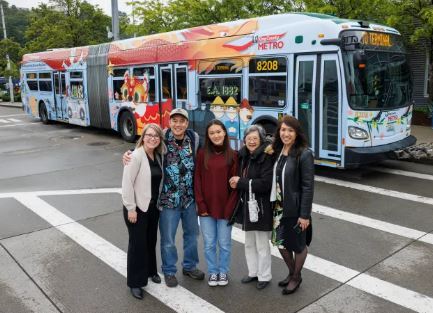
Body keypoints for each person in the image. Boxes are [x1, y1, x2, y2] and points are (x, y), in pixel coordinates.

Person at [123, 108, 205, 288]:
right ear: (169, 122)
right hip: (168, 200)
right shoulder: (163, 138)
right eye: (174, 121)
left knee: (192, 235)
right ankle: (169, 270)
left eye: (181, 121)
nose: (178, 124)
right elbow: (146, 146)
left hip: (189, 199)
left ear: (187, 123)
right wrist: (129, 152)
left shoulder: (194, 139)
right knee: (168, 239)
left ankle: (190, 266)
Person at [270, 115, 314, 295]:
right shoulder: (278, 150)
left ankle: (296, 277)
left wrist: (304, 215)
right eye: (283, 130)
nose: (286, 134)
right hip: (278, 206)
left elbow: (308, 186)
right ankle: (292, 272)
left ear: (297, 133)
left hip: (295, 209)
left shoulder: (304, 153)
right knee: (281, 242)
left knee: (298, 245)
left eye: (290, 130)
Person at [122, 123, 165, 300]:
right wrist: (131, 208)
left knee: (150, 240)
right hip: (137, 208)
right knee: (137, 245)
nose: (153, 138)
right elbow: (127, 184)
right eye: (149, 135)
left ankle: (150, 271)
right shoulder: (135, 156)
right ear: (143, 136)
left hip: (153, 207)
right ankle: (135, 282)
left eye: (156, 136)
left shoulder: (158, 155)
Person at [229, 125, 274, 290]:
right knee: (249, 243)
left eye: (255, 139)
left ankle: (264, 276)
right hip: (247, 206)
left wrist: (240, 182)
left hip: (261, 207)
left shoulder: (267, 157)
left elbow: (265, 184)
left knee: (262, 244)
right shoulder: (243, 156)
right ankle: (253, 272)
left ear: (261, 140)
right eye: (249, 139)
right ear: (245, 140)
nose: (252, 142)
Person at [194, 120, 238, 286]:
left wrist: (230, 207)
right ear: (208, 136)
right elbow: (197, 181)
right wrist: (201, 205)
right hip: (206, 209)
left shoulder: (233, 155)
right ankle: (213, 272)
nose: (216, 135)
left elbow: (235, 185)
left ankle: (223, 272)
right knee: (209, 244)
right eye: (212, 133)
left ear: (225, 132)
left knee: (225, 244)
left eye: (218, 132)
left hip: (225, 209)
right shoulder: (201, 154)